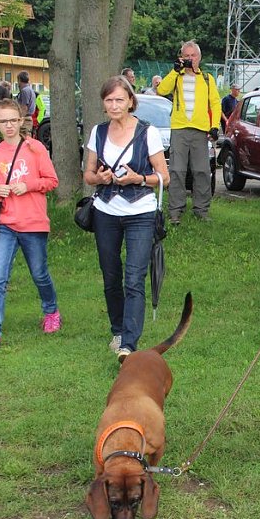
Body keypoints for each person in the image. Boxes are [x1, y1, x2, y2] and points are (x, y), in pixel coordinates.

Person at [83, 76, 170, 362]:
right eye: (108, 100)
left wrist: (138, 178)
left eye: (119, 99)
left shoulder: (148, 132)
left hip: (141, 211)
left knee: (134, 278)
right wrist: (101, 178)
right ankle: (118, 330)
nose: (114, 105)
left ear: (131, 101)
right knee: (111, 275)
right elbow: (88, 174)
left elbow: (164, 178)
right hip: (106, 211)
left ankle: (129, 344)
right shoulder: (97, 131)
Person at [0, 99, 60, 353]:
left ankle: (51, 311)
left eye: (13, 120)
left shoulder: (35, 148)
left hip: (33, 223)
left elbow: (51, 180)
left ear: (22, 121)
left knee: (39, 273)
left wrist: (29, 185)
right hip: (6, 224)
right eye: (3, 121)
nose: (9, 125)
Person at [157, 41, 221, 223]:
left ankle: (202, 210)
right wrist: (175, 70)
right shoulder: (176, 76)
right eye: (187, 56)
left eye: (193, 56)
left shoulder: (207, 78)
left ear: (199, 58)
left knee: (201, 170)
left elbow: (215, 104)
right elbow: (162, 90)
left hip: (200, 130)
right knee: (177, 170)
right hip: (179, 128)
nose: (190, 59)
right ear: (181, 57)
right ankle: (175, 211)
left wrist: (214, 126)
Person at [16, 71, 37, 136]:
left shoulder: (25, 91)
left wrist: (19, 119)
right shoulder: (30, 89)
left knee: (23, 139)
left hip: (25, 119)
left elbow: (24, 107)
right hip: (27, 118)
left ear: (19, 79)